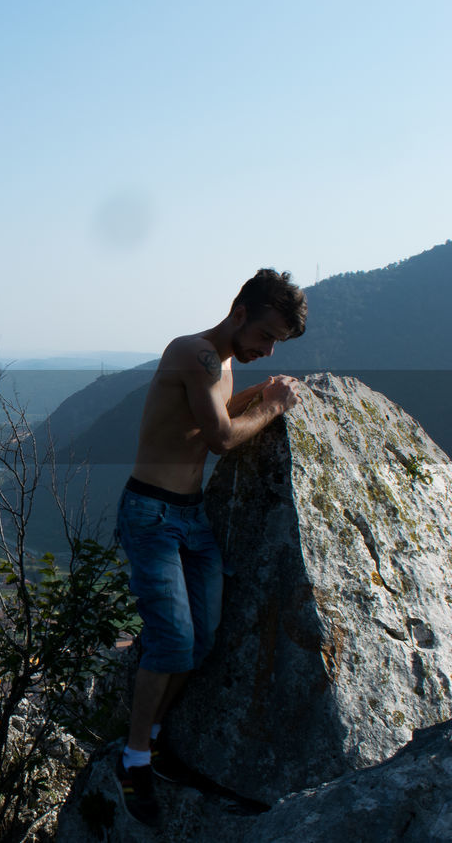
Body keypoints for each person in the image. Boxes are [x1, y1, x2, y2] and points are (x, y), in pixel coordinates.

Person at [114, 269, 307, 826]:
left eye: (276, 346)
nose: (266, 351)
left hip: (190, 517)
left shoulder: (218, 364)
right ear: (240, 312)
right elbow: (222, 439)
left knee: (203, 638)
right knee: (174, 639)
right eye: (266, 337)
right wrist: (273, 407)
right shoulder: (195, 353)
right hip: (152, 512)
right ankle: (133, 760)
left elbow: (211, 416)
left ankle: (150, 739)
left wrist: (258, 393)